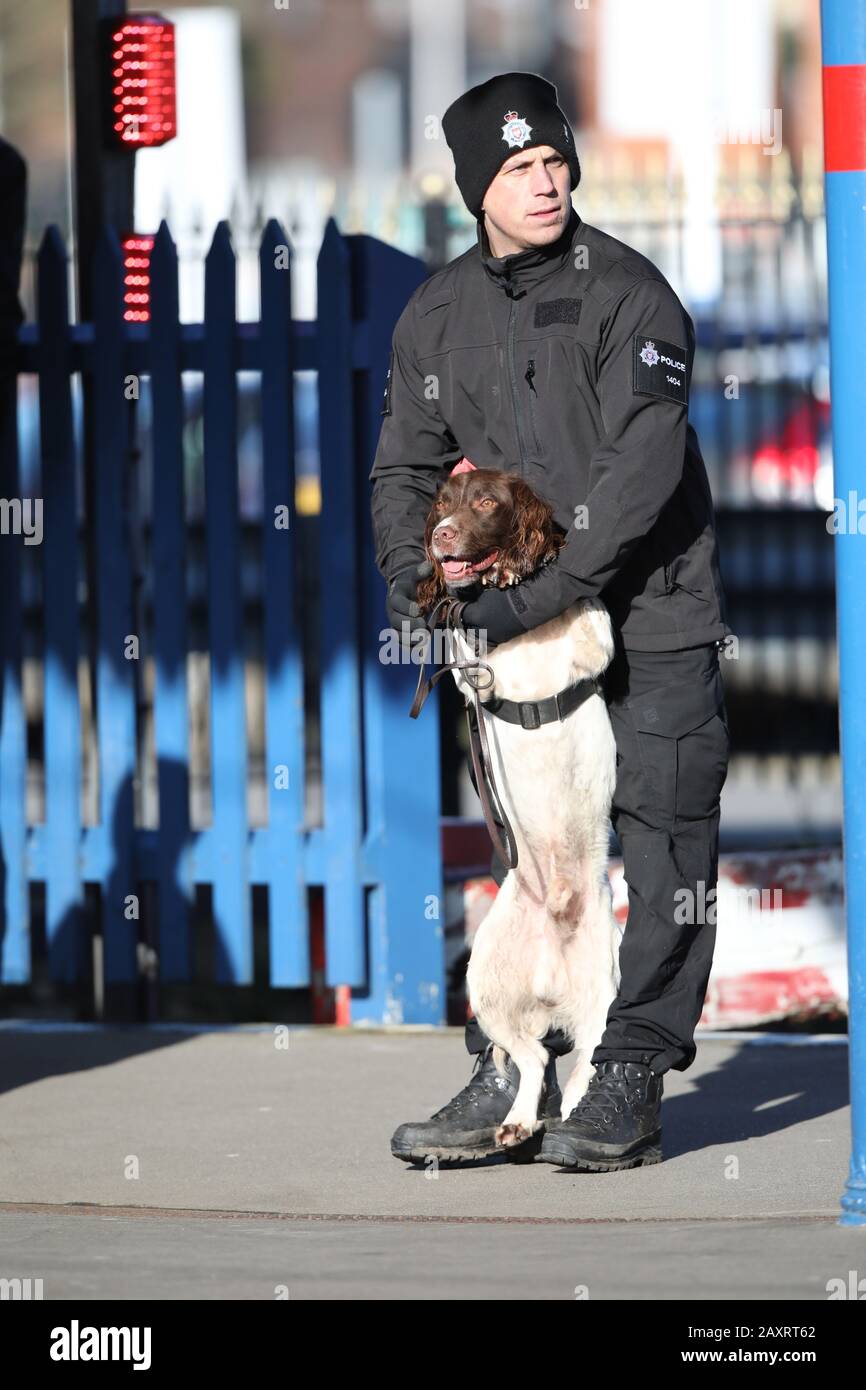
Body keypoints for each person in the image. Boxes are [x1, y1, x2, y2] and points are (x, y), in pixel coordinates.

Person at [368, 72, 732, 1171]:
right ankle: (509, 1066)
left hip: (650, 607)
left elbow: (639, 469)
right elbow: (402, 469)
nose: (543, 180)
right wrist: (411, 581)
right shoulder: (436, 315)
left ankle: (626, 1069)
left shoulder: (630, 293)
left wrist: (537, 589)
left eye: (553, 161)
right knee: (532, 855)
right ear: (476, 185)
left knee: (667, 836)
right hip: (520, 637)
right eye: (518, 167)